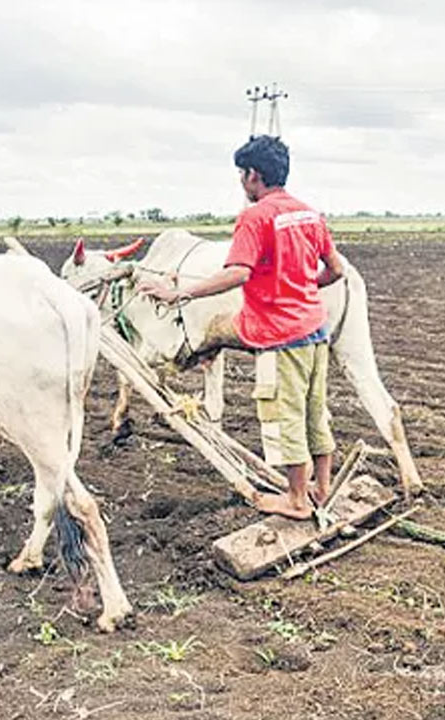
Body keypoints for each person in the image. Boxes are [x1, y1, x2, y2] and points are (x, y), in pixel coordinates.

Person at [138, 135, 343, 520]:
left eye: (241, 175)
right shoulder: (308, 214)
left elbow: (238, 272)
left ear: (253, 175)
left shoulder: (256, 216)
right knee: (315, 410)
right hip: (315, 330)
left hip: (281, 336)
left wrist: (181, 292)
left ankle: (297, 500)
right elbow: (335, 270)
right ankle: (321, 487)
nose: (241, 182)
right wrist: (299, 287)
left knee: (286, 414)